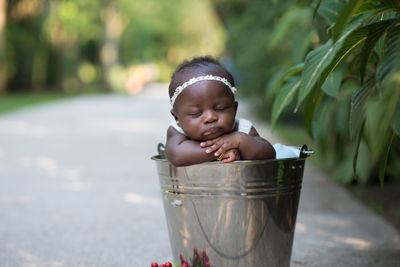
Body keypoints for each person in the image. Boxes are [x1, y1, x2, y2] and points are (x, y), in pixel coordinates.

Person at [165, 56, 276, 166]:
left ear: (234, 109)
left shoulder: (242, 128)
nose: (210, 117)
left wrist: (240, 140)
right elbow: (176, 155)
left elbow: (269, 153)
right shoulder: (178, 132)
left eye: (220, 108)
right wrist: (221, 153)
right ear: (177, 118)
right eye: (196, 113)